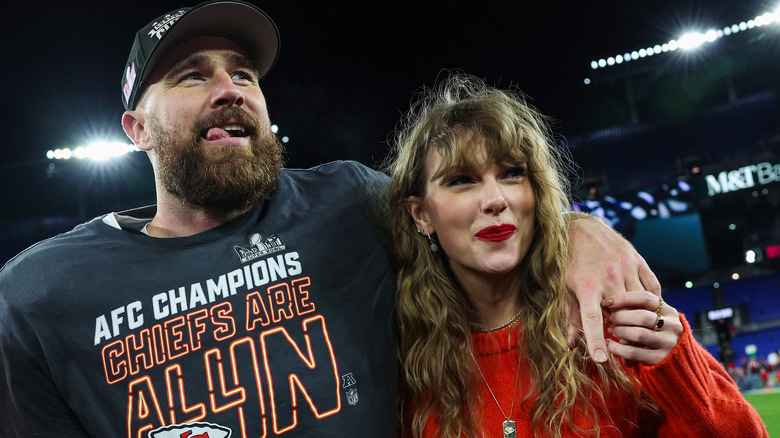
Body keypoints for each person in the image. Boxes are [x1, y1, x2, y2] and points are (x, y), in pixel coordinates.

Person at [1, 2, 662, 437]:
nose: (231, 88)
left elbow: (477, 211)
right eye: (191, 77)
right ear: (135, 128)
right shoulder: (38, 295)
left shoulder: (350, 201)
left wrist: (577, 229)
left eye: (244, 74)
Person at [384, 73, 768, 437]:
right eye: (461, 180)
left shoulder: (608, 321)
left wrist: (677, 367)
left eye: (512, 173)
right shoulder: (398, 360)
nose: (495, 200)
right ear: (421, 214)